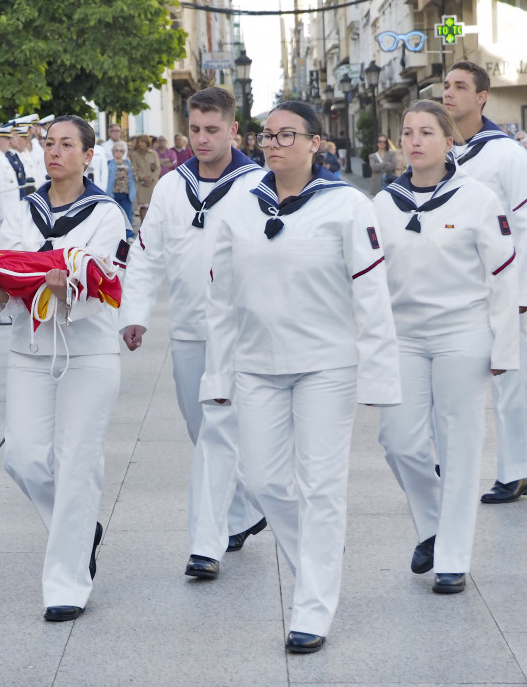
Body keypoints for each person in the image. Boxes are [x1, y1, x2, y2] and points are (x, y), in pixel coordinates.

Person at [199, 101, 400, 654]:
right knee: (264, 481)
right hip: (258, 365)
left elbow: (371, 295)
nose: (275, 143)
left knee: (321, 485)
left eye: (288, 135)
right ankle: (316, 561)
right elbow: (218, 298)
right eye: (268, 134)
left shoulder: (346, 206)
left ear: (316, 143)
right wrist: (217, 373)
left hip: (326, 365)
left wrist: (379, 378)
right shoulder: (238, 206)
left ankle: (312, 606)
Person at [0, 115, 127, 623]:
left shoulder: (107, 213)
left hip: (89, 349)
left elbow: (106, 279)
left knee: (77, 461)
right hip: (30, 347)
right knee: (26, 459)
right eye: (49, 143)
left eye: (66, 144)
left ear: (87, 154)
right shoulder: (23, 209)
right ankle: (79, 529)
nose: (54, 152)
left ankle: (66, 584)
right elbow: (7, 287)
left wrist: (66, 288)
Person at [120, 87, 265, 582]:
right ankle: (246, 511)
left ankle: (208, 543)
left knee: (219, 427)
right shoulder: (169, 186)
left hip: (242, 329)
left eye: (212, 129)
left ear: (233, 131)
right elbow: (147, 252)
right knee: (199, 428)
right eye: (195, 129)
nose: (201, 139)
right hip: (186, 325)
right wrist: (135, 311)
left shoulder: (258, 184)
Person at [374, 100, 518, 596]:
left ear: (448, 141)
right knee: (399, 441)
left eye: (426, 132)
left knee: (458, 445)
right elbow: (367, 282)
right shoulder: (382, 203)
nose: (414, 141)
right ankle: (434, 526)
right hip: (403, 337)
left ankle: (452, 558)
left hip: (463, 333)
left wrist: (505, 349)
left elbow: (504, 278)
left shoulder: (477, 198)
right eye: (407, 132)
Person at [444, 60, 527, 503]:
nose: (449, 93)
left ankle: (516, 470)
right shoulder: (442, 152)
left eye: (460, 86)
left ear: (481, 98)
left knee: (511, 382)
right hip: (458, 289)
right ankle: (441, 462)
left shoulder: (508, 154)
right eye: (446, 85)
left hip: (507, 287)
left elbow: (526, 225)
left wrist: (521, 292)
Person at [104, 140, 136, 223]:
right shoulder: (108, 163)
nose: (118, 152)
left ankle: (128, 235)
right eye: (116, 150)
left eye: (121, 150)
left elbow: (133, 177)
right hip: (113, 194)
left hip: (126, 194)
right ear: (113, 151)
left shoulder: (128, 163)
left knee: (127, 216)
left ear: (124, 152)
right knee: (113, 217)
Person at [129, 135, 159, 222]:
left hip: (153, 184)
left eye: (142, 142)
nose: (140, 144)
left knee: (154, 206)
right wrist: (144, 177)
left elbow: (157, 168)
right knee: (143, 207)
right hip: (141, 184)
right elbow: (134, 168)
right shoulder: (135, 155)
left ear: (147, 142)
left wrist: (152, 178)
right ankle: (143, 228)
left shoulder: (153, 154)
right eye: (138, 142)